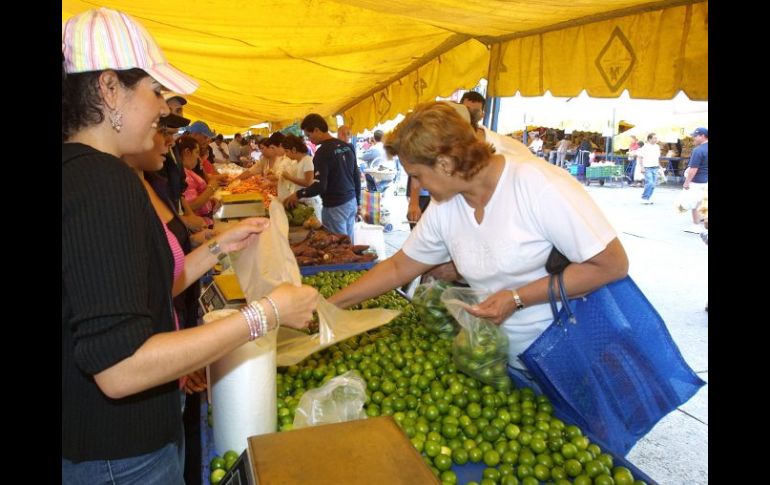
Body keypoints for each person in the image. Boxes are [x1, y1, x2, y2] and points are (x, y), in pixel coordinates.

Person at [62, 8, 318, 483]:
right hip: (120, 455)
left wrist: (219, 247)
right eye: (155, 93)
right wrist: (266, 313)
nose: (164, 110)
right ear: (109, 88)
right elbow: (120, 368)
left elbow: (134, 288)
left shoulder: (80, 174)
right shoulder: (103, 182)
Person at [329, 102, 628, 386]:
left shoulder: (536, 184)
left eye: (418, 175)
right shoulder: (446, 205)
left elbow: (611, 264)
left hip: (568, 354)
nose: (417, 185)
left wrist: (516, 297)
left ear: (445, 164)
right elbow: (398, 268)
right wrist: (329, 306)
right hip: (505, 359)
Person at [284, 113, 361, 241]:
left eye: (309, 135)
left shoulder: (322, 152)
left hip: (335, 206)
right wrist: (358, 201)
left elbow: (320, 186)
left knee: (338, 246)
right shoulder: (347, 147)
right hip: (351, 202)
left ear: (317, 130)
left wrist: (298, 194)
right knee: (348, 242)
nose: (309, 139)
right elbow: (356, 176)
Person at [683, 127, 708, 233]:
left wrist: (686, 182)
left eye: (695, 136)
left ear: (702, 136)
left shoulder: (698, 150)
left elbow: (693, 169)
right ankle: (703, 219)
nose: (694, 138)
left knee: (695, 203)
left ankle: (696, 226)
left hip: (698, 181)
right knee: (704, 201)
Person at [637, 133, 661, 204]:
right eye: (654, 138)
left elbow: (657, 158)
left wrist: (660, 167)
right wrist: (642, 167)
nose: (656, 139)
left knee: (653, 184)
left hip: (655, 167)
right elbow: (640, 157)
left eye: (656, 138)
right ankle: (644, 197)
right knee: (650, 183)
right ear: (649, 139)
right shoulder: (645, 147)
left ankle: (648, 198)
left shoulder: (657, 147)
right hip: (647, 167)